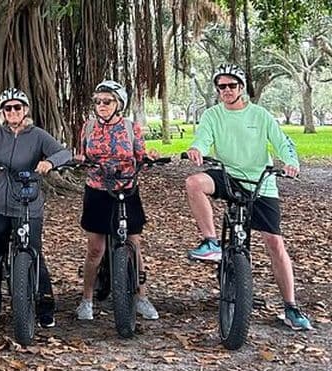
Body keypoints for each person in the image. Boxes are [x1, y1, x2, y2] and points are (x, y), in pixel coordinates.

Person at [184, 63, 312, 331]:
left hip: (260, 182)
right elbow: (203, 138)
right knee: (194, 182)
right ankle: (211, 242)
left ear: (241, 88)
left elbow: (282, 142)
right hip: (228, 176)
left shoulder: (260, 115)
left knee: (275, 243)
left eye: (232, 85)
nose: (227, 91)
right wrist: (197, 148)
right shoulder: (212, 115)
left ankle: (290, 307)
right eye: (222, 87)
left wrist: (291, 162)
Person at [0, 88, 71, 329]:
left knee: (34, 254)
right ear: (2, 113)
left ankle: (45, 307)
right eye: (8, 108)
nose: (13, 112)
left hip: (28, 203)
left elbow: (64, 153)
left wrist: (49, 162)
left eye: (17, 107)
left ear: (25, 110)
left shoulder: (37, 135)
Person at [74, 80, 159, 321]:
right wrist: (79, 159)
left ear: (119, 104)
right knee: (95, 249)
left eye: (107, 101)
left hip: (127, 189)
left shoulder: (131, 128)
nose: (101, 105)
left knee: (134, 245)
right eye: (98, 101)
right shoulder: (88, 127)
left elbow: (140, 155)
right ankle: (86, 300)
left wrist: (150, 157)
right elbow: (83, 154)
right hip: (97, 191)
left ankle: (142, 297)